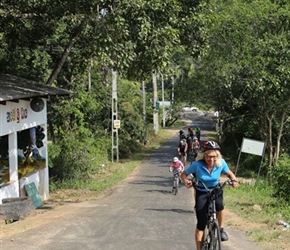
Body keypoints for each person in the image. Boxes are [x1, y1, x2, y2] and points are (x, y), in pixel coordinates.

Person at [180, 141, 239, 250]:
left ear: (217, 156)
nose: (211, 160)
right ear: (204, 155)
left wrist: (234, 180)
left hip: (216, 189)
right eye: (208, 156)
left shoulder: (221, 163)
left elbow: (229, 173)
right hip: (202, 191)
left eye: (214, 157)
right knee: (201, 224)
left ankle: (220, 229)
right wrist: (186, 181)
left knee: (220, 205)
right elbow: (183, 174)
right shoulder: (197, 165)